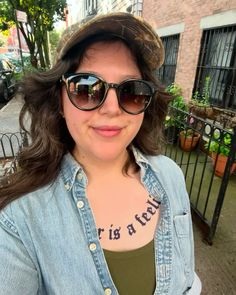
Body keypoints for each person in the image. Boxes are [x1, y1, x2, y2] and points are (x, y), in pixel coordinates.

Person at [0, 12, 201, 295]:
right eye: (86, 88)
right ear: (59, 99)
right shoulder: (20, 221)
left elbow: (188, 283)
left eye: (131, 91)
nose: (111, 108)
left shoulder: (170, 176)